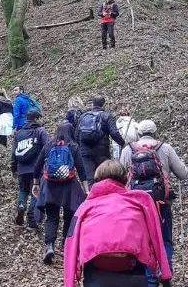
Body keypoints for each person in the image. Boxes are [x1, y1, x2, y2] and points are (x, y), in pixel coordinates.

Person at [63, 160, 171, 287]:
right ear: (125, 179)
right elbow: (156, 235)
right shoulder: (141, 199)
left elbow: (70, 241)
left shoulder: (85, 206)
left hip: (96, 275)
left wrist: (70, 283)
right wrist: (165, 275)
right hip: (134, 272)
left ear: (97, 180)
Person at [119, 120, 188, 284]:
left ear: (139, 133)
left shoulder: (128, 150)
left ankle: (149, 278)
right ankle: (165, 272)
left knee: (143, 240)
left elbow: (120, 176)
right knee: (164, 239)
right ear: (155, 132)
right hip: (161, 203)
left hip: (136, 205)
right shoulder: (165, 148)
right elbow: (183, 174)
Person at [38, 115, 88, 264]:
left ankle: (49, 246)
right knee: (68, 216)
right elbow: (81, 169)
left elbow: (38, 166)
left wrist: (35, 183)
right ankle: (66, 246)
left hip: (50, 187)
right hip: (69, 188)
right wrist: (86, 190)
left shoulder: (48, 145)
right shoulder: (73, 147)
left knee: (52, 217)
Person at [77, 95, 127, 189]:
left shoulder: (83, 116)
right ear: (103, 104)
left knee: (90, 178)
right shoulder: (106, 116)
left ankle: (92, 197)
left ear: (92, 104)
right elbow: (114, 133)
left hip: (85, 152)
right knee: (104, 175)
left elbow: (77, 135)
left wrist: (81, 149)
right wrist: (123, 144)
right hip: (101, 151)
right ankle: (105, 195)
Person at [12, 109, 49, 228]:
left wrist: (14, 168)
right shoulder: (40, 131)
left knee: (23, 190)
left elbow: (13, 153)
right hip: (37, 169)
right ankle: (32, 217)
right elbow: (47, 148)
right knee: (35, 191)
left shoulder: (19, 133)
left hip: (22, 168)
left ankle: (21, 205)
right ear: (36, 118)